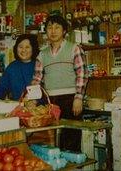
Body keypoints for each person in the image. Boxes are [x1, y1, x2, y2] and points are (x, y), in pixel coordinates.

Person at [31, 15, 88, 152]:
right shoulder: (42, 54)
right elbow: (37, 79)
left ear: (64, 31)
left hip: (71, 100)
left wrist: (78, 98)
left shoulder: (74, 48)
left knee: (71, 138)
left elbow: (82, 74)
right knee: (54, 139)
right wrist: (32, 99)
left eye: (57, 27)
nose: (53, 31)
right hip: (51, 102)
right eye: (49, 27)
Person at [0, 34, 39, 100]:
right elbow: (0, 91)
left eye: (27, 47)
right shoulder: (12, 67)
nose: (23, 50)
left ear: (33, 48)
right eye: (20, 47)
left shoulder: (39, 65)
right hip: (18, 108)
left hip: (38, 108)